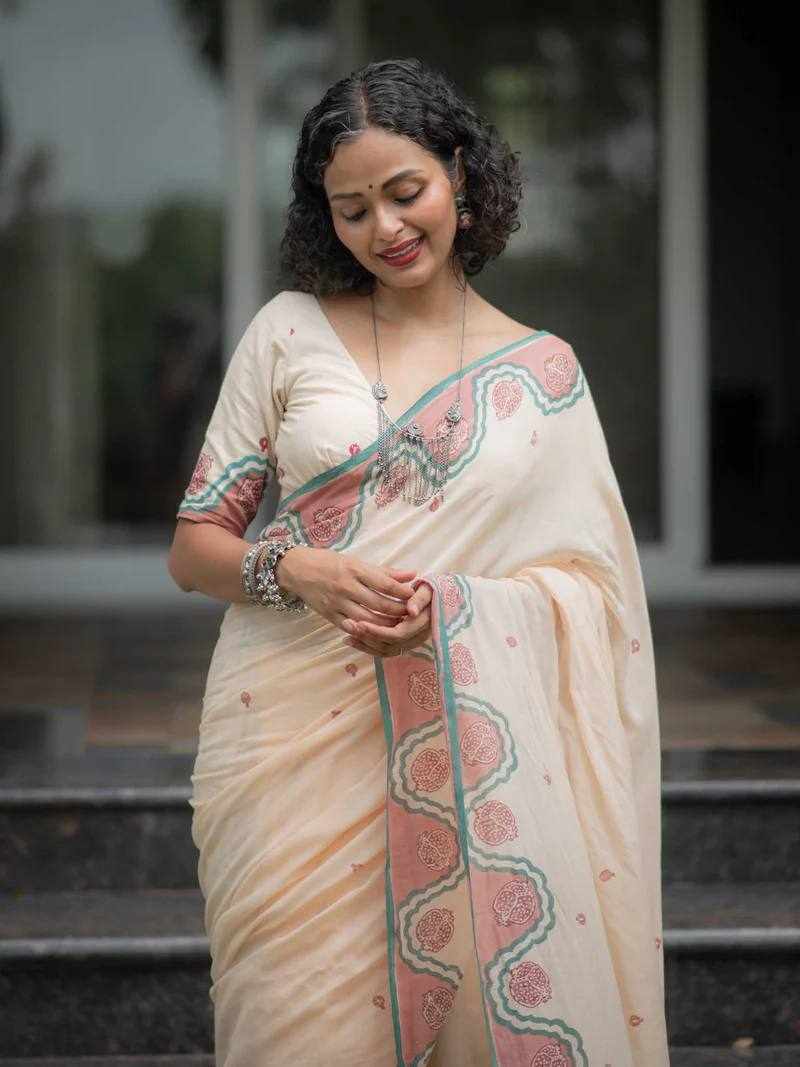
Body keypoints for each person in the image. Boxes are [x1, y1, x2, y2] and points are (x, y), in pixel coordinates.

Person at [168, 57, 670, 1067]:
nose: (385, 228)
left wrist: (457, 610)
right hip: (284, 743)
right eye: (351, 209)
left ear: (459, 172)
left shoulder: (544, 374)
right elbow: (194, 546)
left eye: (405, 193)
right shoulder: (288, 332)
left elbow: (595, 594)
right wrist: (296, 569)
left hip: (467, 742)